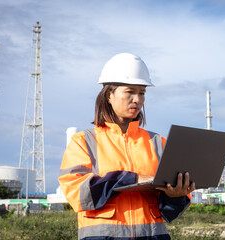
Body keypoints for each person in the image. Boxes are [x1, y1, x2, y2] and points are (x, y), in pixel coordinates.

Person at [58, 53, 196, 240]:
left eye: (142, 93)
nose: (137, 100)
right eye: (130, 92)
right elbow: (78, 194)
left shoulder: (158, 143)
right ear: (109, 95)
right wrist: (132, 178)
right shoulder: (83, 141)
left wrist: (177, 195)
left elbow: (170, 212)